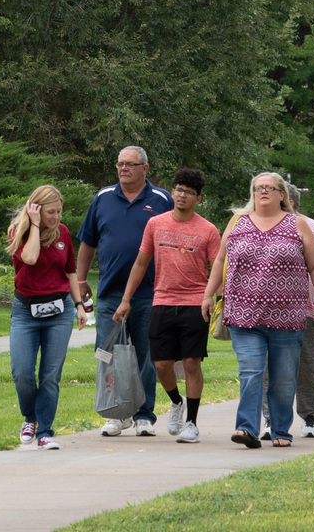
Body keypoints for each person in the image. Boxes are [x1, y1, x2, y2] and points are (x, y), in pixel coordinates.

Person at [201, 172, 314, 449]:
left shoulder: (297, 224)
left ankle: (281, 430)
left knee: (284, 377)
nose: (263, 191)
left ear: (282, 194)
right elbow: (220, 260)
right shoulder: (238, 222)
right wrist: (207, 295)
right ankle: (246, 428)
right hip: (243, 315)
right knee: (250, 370)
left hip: (288, 317)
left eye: (269, 188)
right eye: (258, 187)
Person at [113, 168, 220, 443]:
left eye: (189, 192)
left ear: (198, 198)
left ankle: (192, 424)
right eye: (179, 189)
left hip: (195, 303)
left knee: (191, 363)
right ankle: (176, 401)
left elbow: (219, 268)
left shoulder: (208, 230)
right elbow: (140, 263)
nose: (182, 195)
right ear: (172, 192)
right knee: (161, 365)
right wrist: (126, 300)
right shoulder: (155, 223)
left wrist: (216, 298)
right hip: (161, 301)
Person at [77, 146, 173, 436]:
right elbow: (88, 242)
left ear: (145, 168)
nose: (123, 169)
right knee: (107, 353)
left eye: (130, 164)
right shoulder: (103, 197)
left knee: (145, 354)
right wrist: (81, 281)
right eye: (120, 164)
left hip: (149, 293)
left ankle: (144, 415)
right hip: (109, 292)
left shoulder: (161, 199)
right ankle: (116, 413)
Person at [8, 184, 88, 450]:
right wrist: (33, 225)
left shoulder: (63, 232)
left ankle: (44, 431)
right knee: (22, 373)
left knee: (50, 375)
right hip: (25, 312)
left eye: (59, 211)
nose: (56, 217)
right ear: (35, 209)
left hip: (59, 311)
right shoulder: (18, 232)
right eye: (51, 212)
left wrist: (79, 305)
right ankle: (29, 417)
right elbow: (30, 259)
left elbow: (70, 272)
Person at [261, 183, 314, 440]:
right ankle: (269, 420)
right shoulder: (261, 224)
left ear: (289, 202)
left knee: (307, 365)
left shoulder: (312, 228)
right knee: (265, 367)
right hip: (266, 311)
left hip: (304, 310)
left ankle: (309, 415)